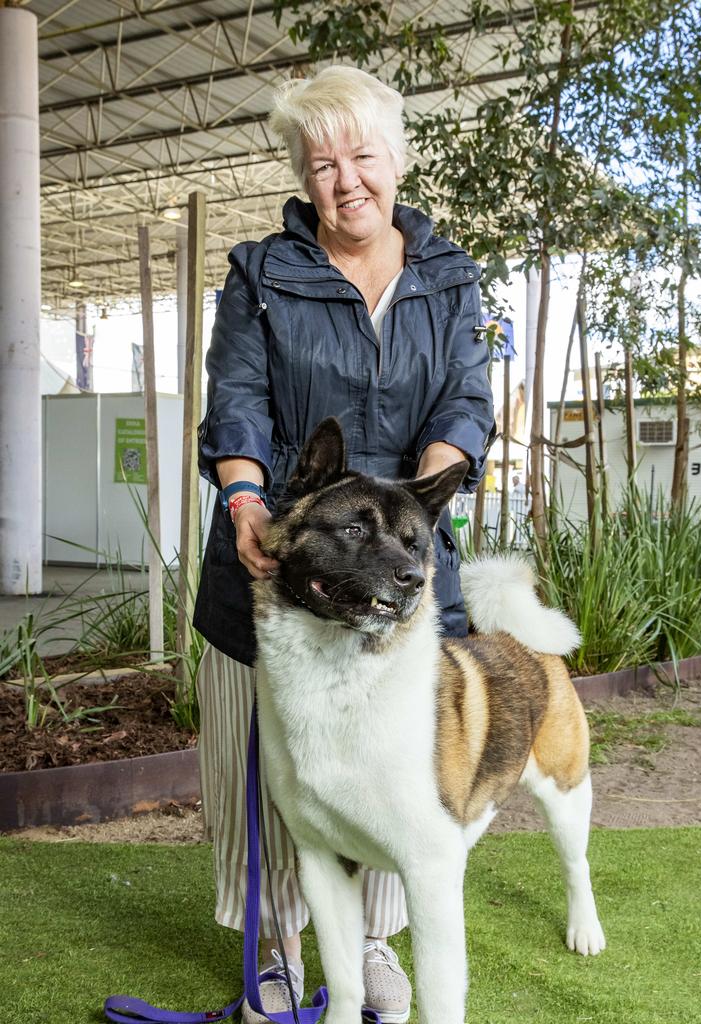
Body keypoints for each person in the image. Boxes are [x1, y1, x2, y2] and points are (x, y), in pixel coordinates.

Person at [192, 65, 495, 1024]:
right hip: (279, 559)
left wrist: (424, 497)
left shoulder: (450, 279)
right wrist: (247, 503)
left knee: (405, 764)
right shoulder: (260, 272)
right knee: (267, 770)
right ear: (302, 173)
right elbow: (235, 403)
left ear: (396, 159)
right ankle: (278, 948)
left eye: (362, 155)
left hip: (401, 558)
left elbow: (465, 402)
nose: (346, 179)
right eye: (322, 163)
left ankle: (367, 943)